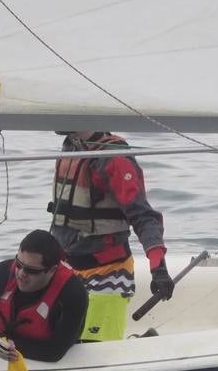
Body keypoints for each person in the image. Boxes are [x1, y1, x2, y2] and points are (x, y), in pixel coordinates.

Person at [48, 130, 172, 341]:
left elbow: (144, 216)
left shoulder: (114, 157)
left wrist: (158, 267)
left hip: (107, 276)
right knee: (59, 342)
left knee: (93, 351)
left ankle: (143, 344)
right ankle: (141, 340)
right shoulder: (71, 146)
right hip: (68, 271)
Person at [0, 229, 88, 363]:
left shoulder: (73, 292)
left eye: (31, 270)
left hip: (41, 345)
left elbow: (54, 352)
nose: (21, 273)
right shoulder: (3, 272)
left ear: (52, 270)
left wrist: (8, 346)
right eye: (19, 264)